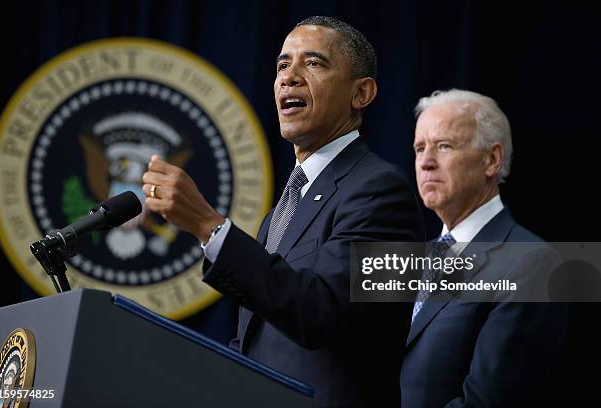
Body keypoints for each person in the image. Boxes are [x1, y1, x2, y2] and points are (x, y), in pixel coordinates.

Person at [143, 16, 424, 407]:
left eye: (313, 63)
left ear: (361, 93)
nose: (288, 77)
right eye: (281, 65)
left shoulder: (383, 193)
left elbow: (321, 315)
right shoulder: (280, 212)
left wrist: (209, 226)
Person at [401, 89, 567, 407]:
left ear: (491, 159)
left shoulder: (531, 263)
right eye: (419, 148)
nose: (426, 162)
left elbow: (488, 401)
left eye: (444, 146)